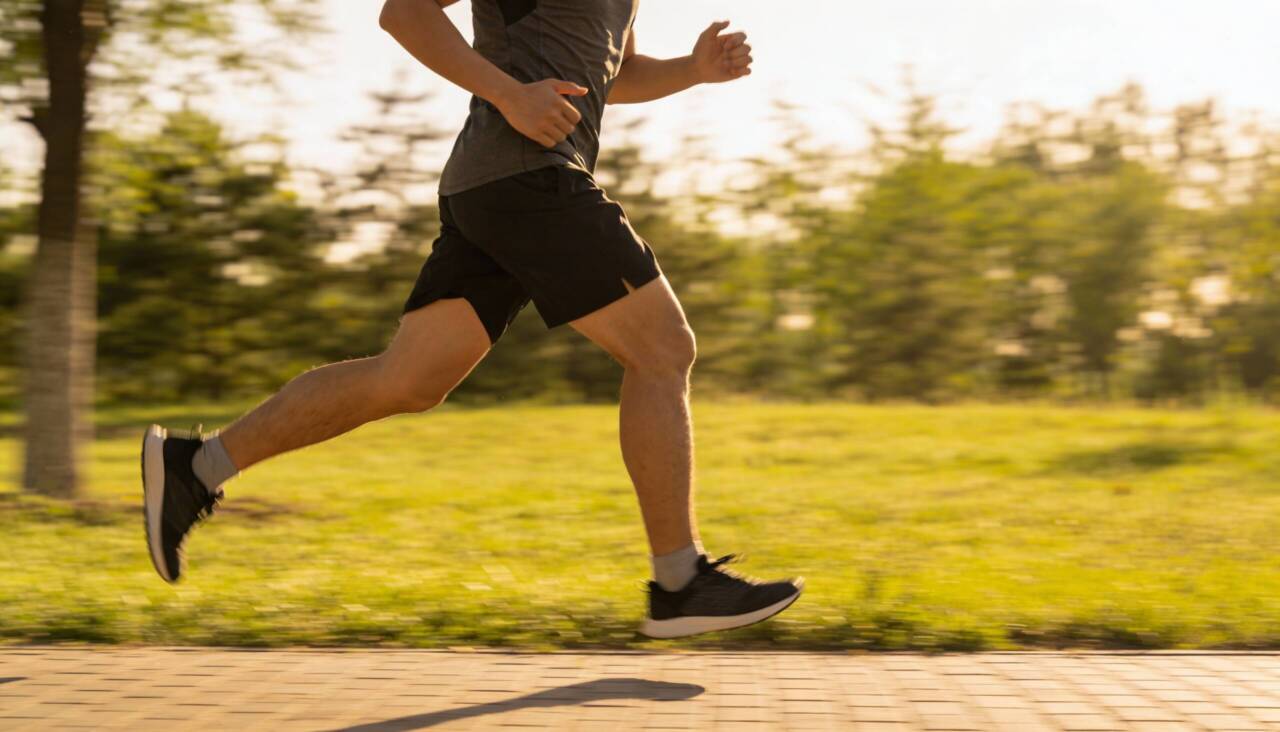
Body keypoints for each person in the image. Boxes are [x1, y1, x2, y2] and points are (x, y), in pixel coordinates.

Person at [141, 0, 802, 639]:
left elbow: (614, 71)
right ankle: (679, 581)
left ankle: (194, 469)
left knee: (407, 380)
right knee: (663, 350)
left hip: (495, 186)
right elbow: (404, 11)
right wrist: (511, 94)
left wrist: (690, 68)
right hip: (527, 178)